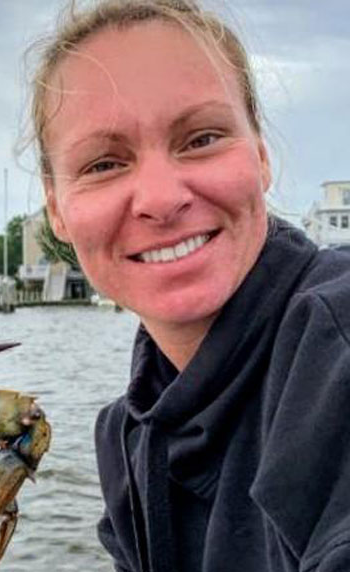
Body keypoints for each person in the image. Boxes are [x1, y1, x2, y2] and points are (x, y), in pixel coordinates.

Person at [27, 1, 350, 570]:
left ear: (260, 156)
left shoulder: (336, 352)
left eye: (201, 138)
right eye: (104, 164)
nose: (160, 198)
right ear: (57, 209)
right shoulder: (127, 436)